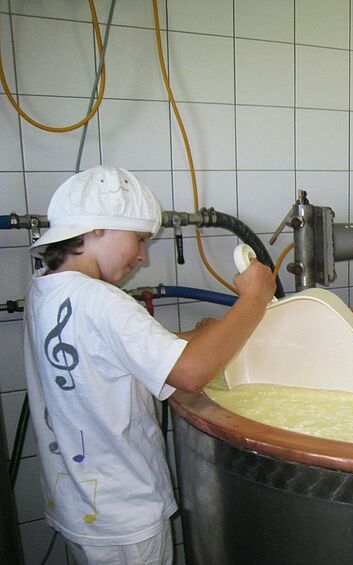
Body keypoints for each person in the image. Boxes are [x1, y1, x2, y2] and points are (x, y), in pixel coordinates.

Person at [23, 165, 275, 565]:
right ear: (98, 227)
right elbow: (189, 374)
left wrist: (205, 337)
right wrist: (254, 300)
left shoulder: (45, 290)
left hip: (78, 501)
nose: (142, 255)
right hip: (124, 511)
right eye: (139, 238)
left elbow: (120, 355)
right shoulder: (104, 301)